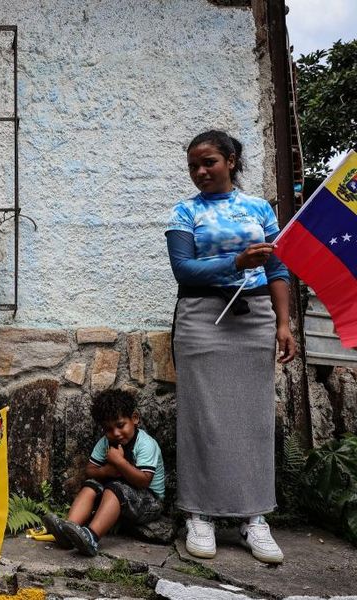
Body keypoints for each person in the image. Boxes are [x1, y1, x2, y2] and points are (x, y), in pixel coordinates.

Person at [165, 130, 295, 564]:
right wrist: (236, 262)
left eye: (209, 162)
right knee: (201, 415)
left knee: (253, 418)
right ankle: (198, 515)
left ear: (232, 161)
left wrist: (283, 323)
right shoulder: (185, 212)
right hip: (201, 317)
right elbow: (184, 270)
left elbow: (278, 270)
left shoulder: (259, 209)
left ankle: (254, 517)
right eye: (194, 166)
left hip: (254, 317)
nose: (201, 172)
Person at [42, 389, 164, 556]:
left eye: (120, 425)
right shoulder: (105, 443)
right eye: (108, 429)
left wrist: (119, 462)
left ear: (135, 418)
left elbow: (144, 481)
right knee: (91, 485)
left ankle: (91, 537)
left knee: (116, 489)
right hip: (119, 499)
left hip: (149, 502)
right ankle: (68, 529)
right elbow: (90, 471)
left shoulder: (145, 444)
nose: (116, 433)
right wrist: (106, 470)